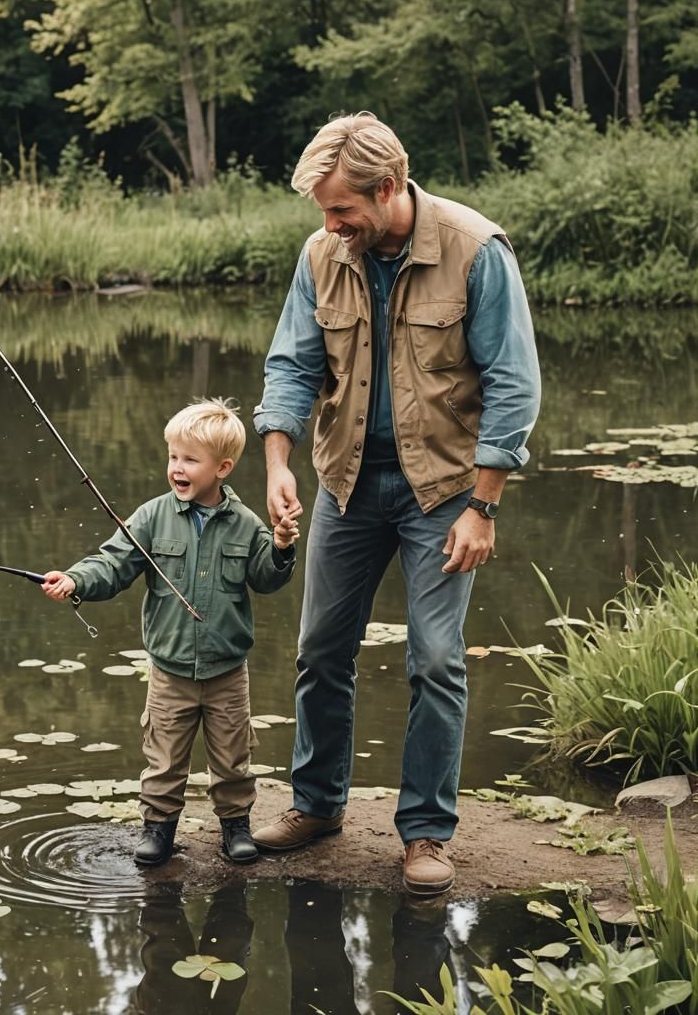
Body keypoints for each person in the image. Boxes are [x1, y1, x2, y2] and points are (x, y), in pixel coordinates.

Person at [252, 112, 541, 896]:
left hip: (444, 493)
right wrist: (278, 462)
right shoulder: (322, 254)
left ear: (387, 189)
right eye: (323, 212)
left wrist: (484, 506)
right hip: (344, 485)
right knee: (319, 649)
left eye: (342, 209)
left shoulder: (476, 249)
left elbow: (515, 386)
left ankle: (424, 833)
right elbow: (291, 365)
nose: (330, 225)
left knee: (437, 659)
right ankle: (315, 806)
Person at [41, 398, 299, 867]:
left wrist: (281, 546)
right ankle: (158, 829)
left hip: (227, 673)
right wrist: (76, 579)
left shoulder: (246, 524)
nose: (177, 468)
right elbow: (112, 563)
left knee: (232, 759)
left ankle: (236, 827)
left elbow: (267, 578)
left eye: (189, 460)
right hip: (168, 674)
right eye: (172, 457)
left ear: (223, 467)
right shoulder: (151, 517)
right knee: (163, 761)